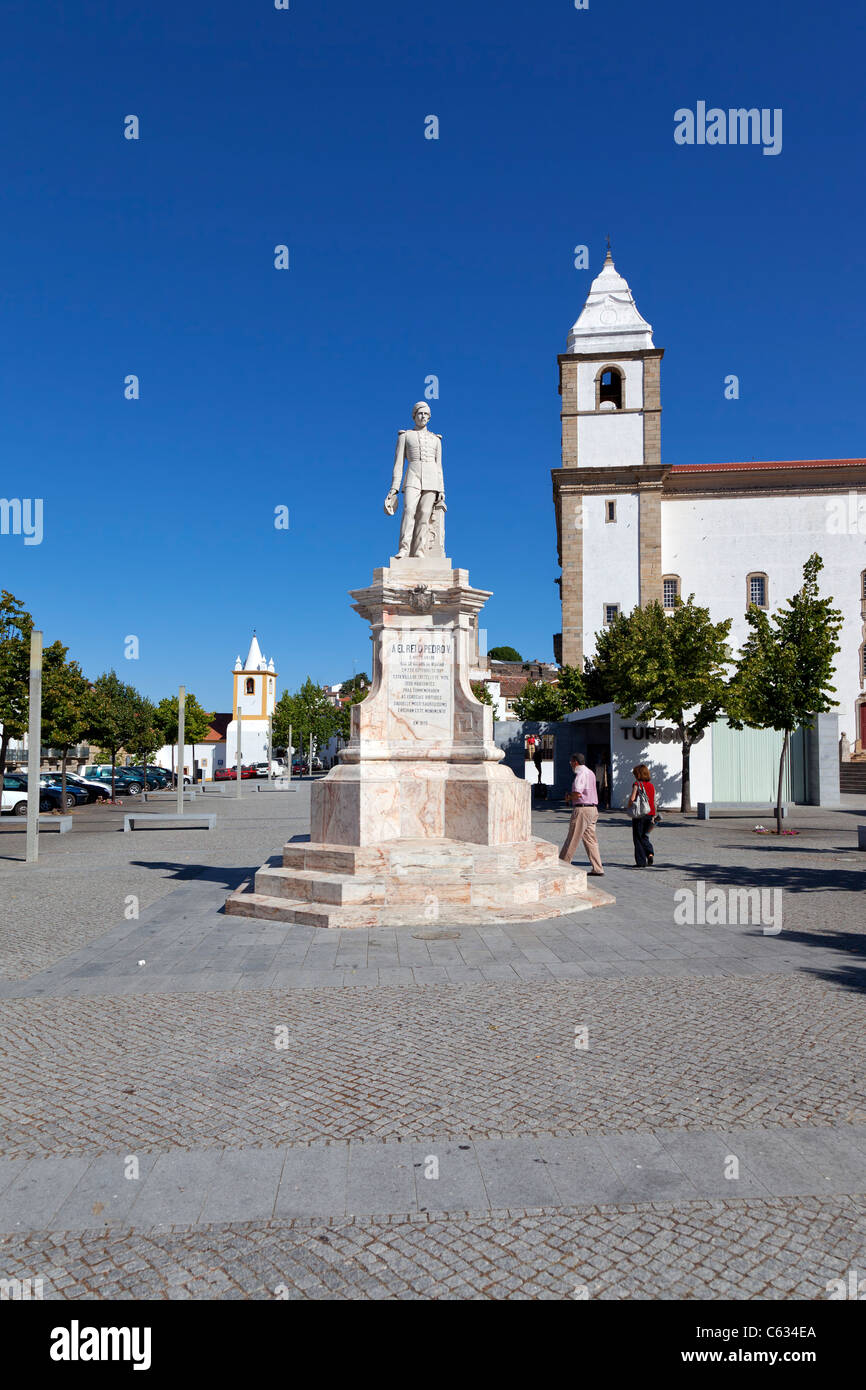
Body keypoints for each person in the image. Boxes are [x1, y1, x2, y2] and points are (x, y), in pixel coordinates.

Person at [559, 753, 604, 875]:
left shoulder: (580, 774)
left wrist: (568, 797)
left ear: (575, 762)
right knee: (590, 840)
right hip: (593, 809)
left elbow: (578, 793)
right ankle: (597, 867)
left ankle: (562, 864)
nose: (570, 764)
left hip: (582, 809)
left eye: (571, 762)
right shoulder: (590, 773)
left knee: (573, 837)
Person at [627, 763, 656, 868]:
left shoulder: (637, 784)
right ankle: (650, 853)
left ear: (638, 774)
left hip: (640, 814)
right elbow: (653, 801)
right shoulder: (651, 785)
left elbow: (632, 798)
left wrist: (629, 806)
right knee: (644, 836)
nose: (634, 776)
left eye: (635, 774)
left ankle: (640, 862)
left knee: (638, 837)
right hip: (650, 813)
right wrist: (654, 815)